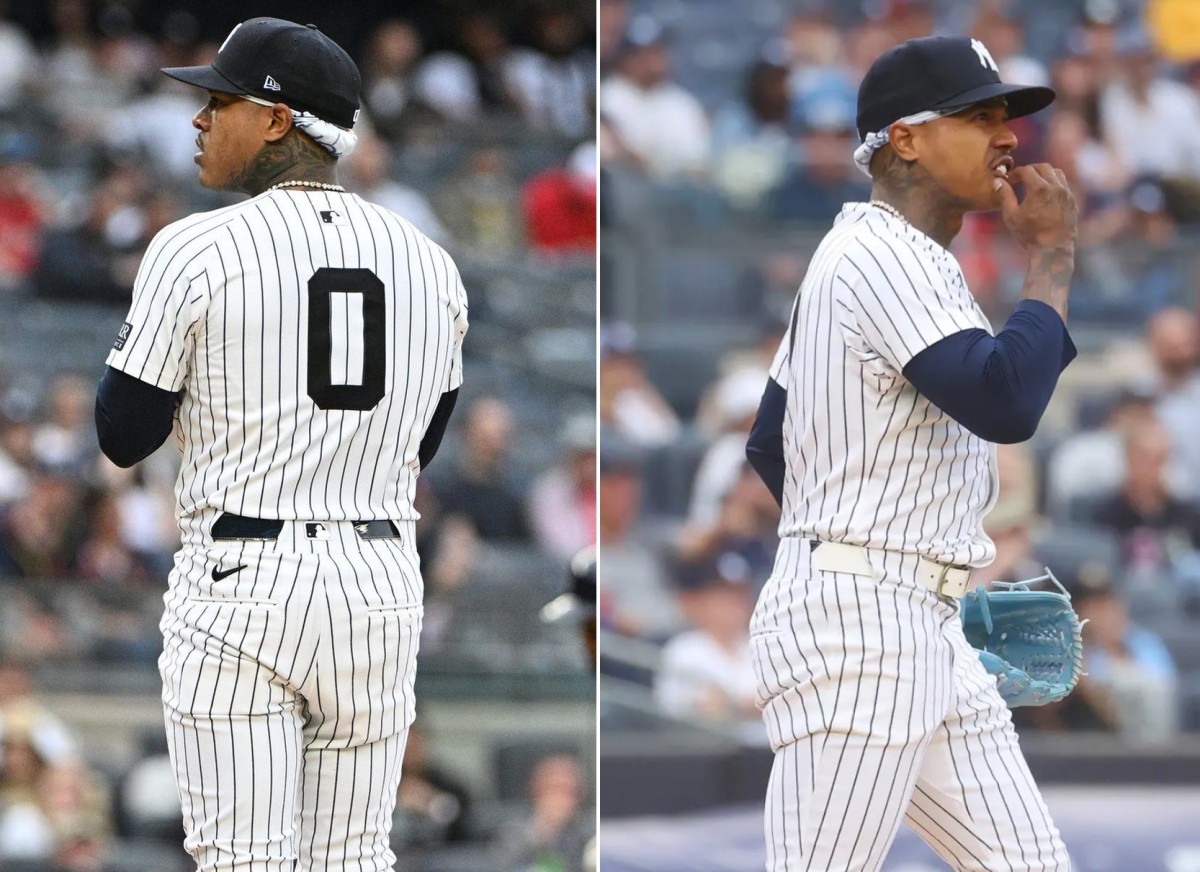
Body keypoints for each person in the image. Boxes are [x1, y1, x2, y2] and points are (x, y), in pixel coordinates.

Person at [92, 18, 468, 871]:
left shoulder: (194, 247)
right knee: (353, 857)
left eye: (217, 101)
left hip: (243, 580)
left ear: (274, 118)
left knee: (242, 861)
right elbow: (425, 444)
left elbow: (122, 436)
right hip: (377, 581)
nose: (198, 119)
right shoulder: (429, 260)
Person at [745, 36, 1077, 870]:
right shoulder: (879, 253)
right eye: (978, 116)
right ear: (905, 138)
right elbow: (1004, 400)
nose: (1007, 136)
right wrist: (1054, 259)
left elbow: (768, 440)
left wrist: (881, 545)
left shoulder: (883, 259)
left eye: (1007, 117)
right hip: (861, 633)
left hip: (915, 622)